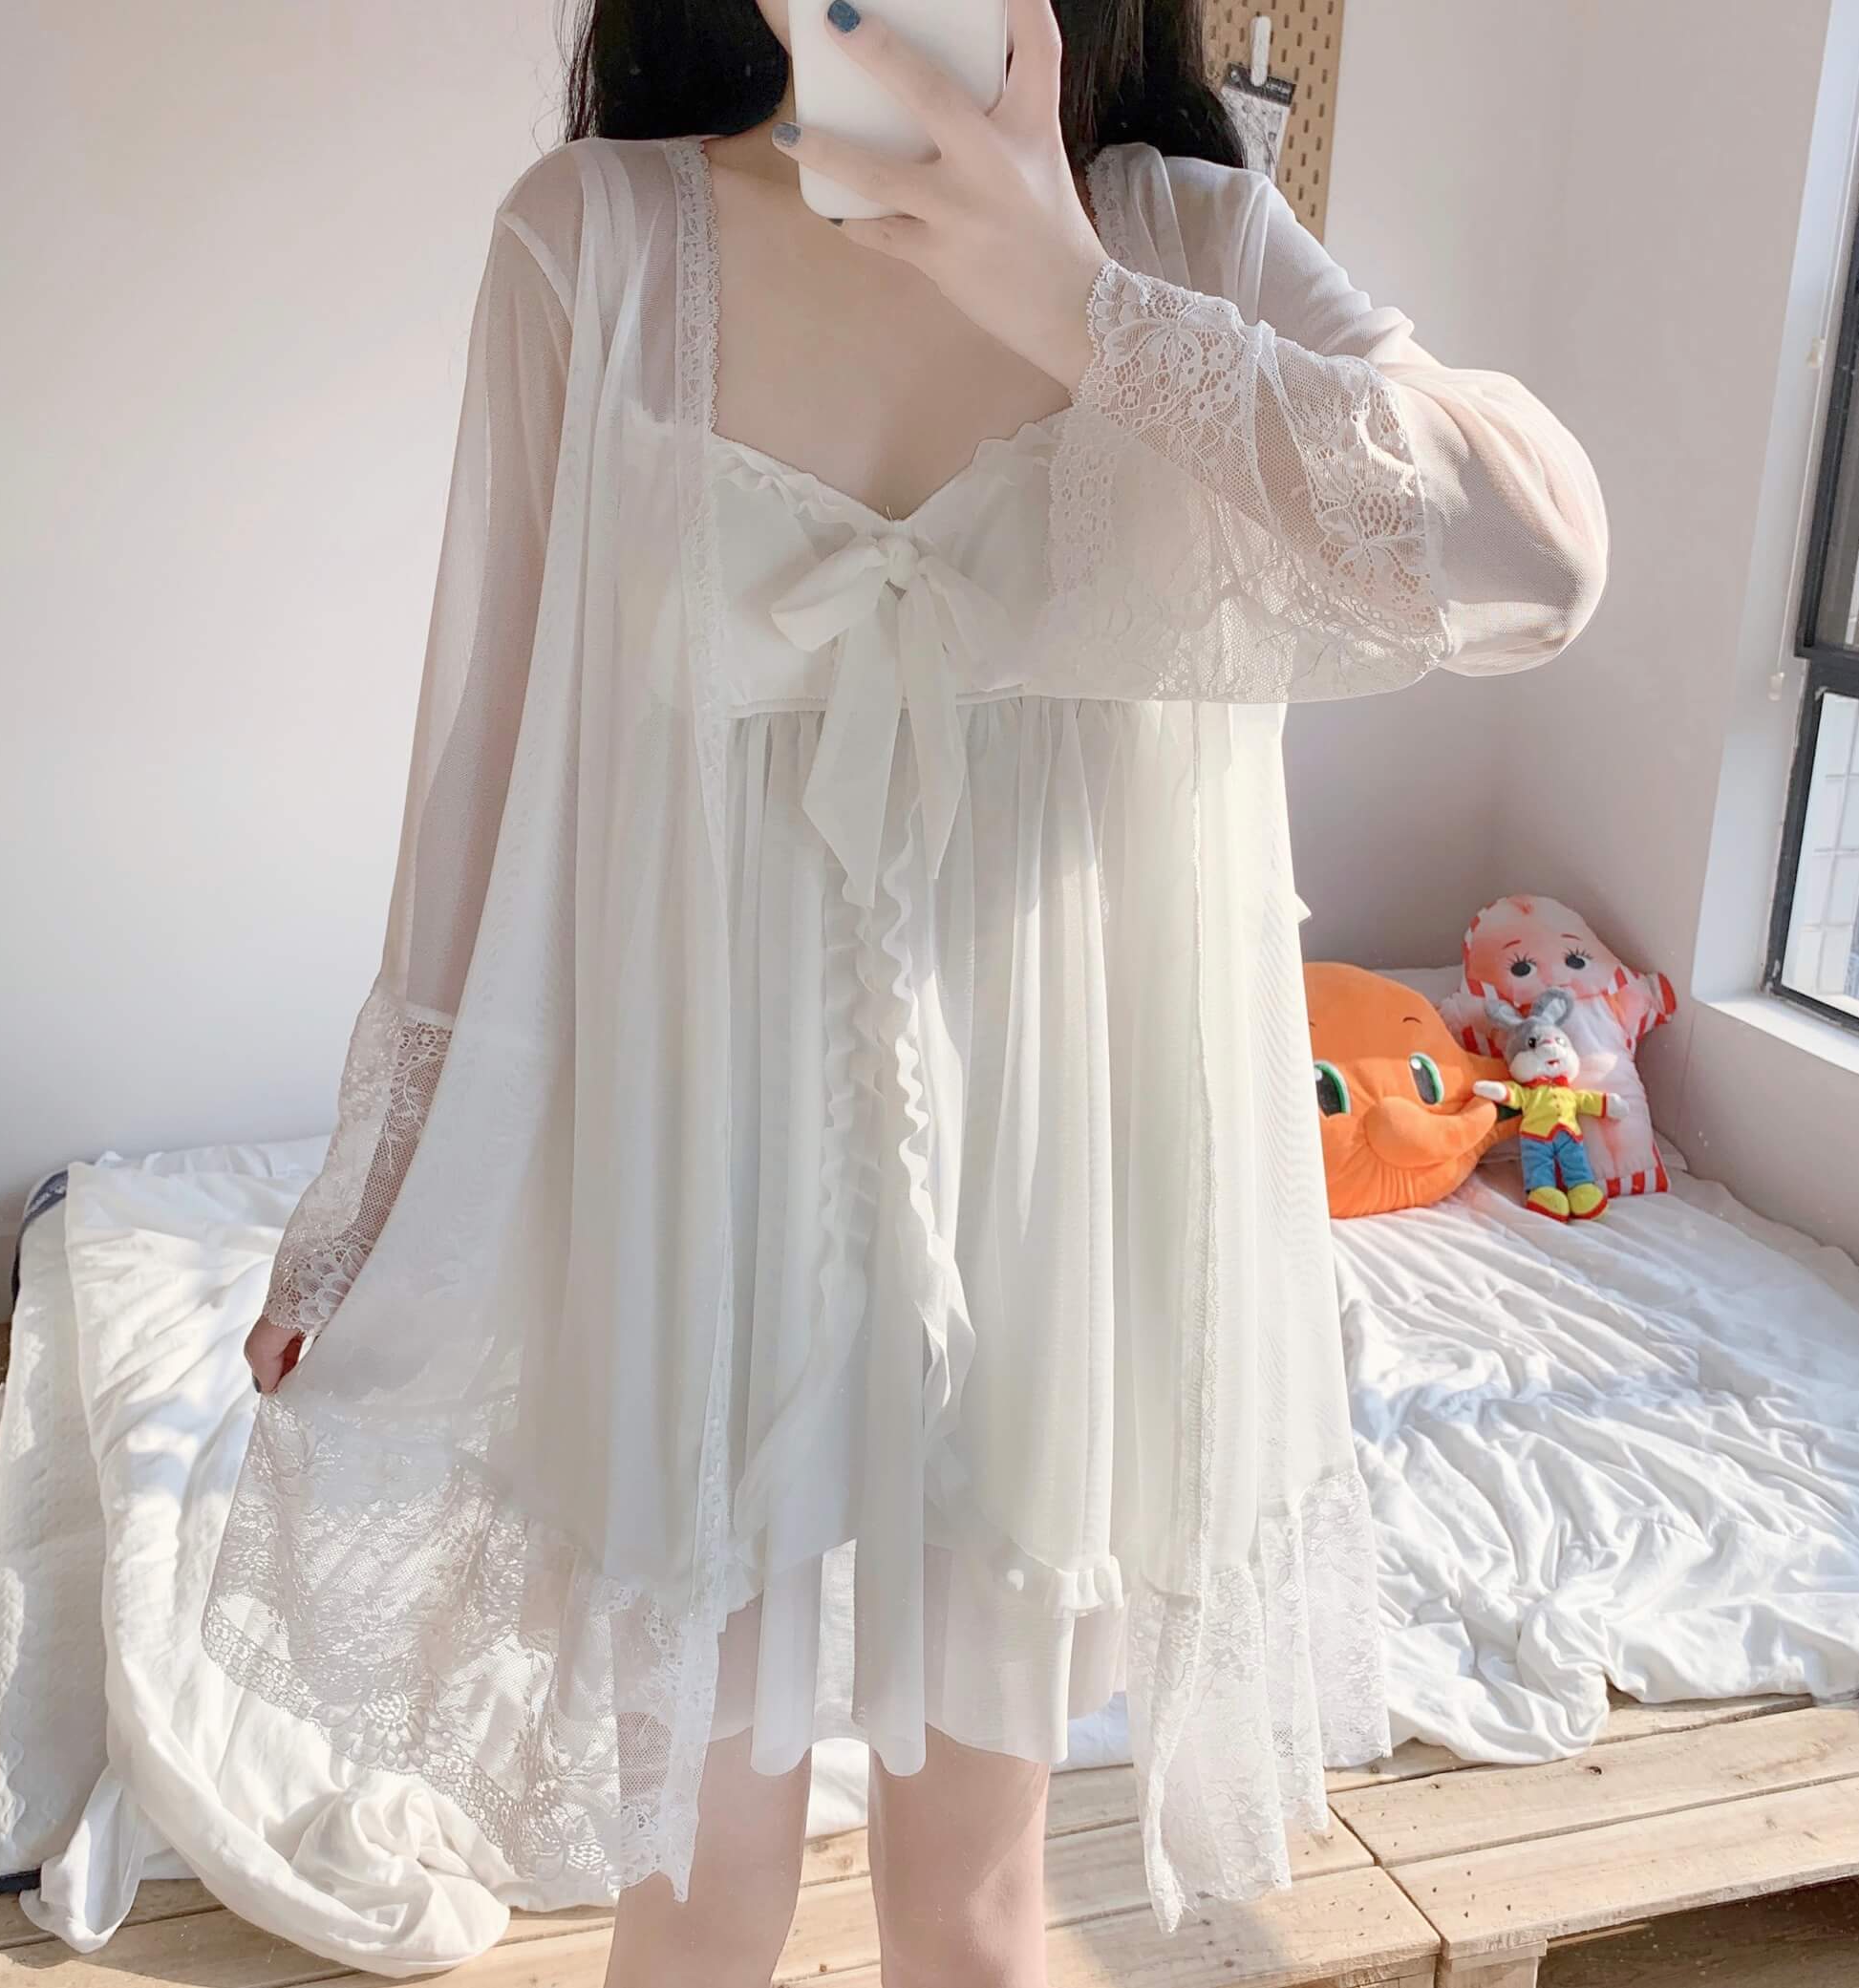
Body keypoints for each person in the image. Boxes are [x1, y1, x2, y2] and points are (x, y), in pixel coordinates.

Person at [206, 1, 1609, 1982]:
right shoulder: (590, 241)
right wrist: (370, 1205)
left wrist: (1076, 300)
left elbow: (1539, 558)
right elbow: (483, 772)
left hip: (1046, 1225)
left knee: (977, 1907)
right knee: (694, 1906)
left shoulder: (1181, 237)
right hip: (696, 1201)